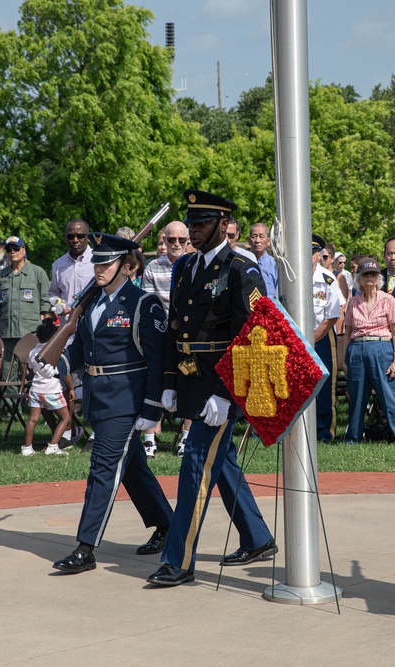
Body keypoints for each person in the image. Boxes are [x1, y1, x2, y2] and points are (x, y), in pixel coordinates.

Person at [146, 190, 276, 587]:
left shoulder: (241, 269)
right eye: (191, 222)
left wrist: (227, 392)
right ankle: (257, 537)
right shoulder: (185, 267)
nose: (193, 230)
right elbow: (173, 328)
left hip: (221, 386)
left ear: (223, 225)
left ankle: (179, 560)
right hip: (190, 379)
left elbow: (254, 336)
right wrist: (168, 382)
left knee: (195, 464)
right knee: (222, 464)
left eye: (201, 224)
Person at [35, 234, 173, 574]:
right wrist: (55, 364)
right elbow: (82, 349)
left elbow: (157, 360)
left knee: (103, 469)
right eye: (96, 262)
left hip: (127, 399)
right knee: (133, 469)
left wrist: (152, 409)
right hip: (99, 397)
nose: (98, 268)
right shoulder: (93, 304)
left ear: (126, 267)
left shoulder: (144, 304)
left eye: (106, 263)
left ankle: (85, 547)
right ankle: (168, 525)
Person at [141, 220, 194, 456]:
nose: (176, 244)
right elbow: (148, 305)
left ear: (187, 241)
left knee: (190, 383)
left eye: (181, 240)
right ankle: (149, 439)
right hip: (160, 335)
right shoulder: (152, 267)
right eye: (170, 239)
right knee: (153, 385)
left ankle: (186, 438)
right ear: (163, 240)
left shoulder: (194, 265)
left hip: (188, 337)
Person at [342, 257, 395, 443]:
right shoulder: (353, 302)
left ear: (379, 278)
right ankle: (352, 439)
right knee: (357, 397)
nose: (370, 277)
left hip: (381, 347)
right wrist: (345, 359)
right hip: (357, 348)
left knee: (390, 396)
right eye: (365, 274)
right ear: (359, 279)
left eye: (374, 274)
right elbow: (347, 332)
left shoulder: (389, 300)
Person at [0, 235, 51, 376]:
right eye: (9, 249)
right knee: (7, 374)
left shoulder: (37, 272)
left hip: (31, 332)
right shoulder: (2, 275)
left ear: (23, 250)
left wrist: (47, 330)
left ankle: (32, 398)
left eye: (16, 248)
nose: (12, 251)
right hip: (8, 333)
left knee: (34, 372)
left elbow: (45, 304)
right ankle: (10, 399)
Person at [22, 320, 73, 457]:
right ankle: (53, 445)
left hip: (36, 390)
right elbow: (64, 372)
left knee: (32, 419)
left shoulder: (33, 352)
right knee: (65, 418)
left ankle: (26, 448)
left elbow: (31, 372)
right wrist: (71, 388)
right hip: (52, 390)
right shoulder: (56, 351)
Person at [312, 234, 343, 441]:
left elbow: (332, 316)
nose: (309, 256)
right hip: (295, 339)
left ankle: (324, 432)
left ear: (319, 255)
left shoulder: (327, 279)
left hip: (321, 337)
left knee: (324, 386)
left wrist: (312, 339)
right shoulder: (290, 276)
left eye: (313, 252)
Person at [49, 220, 94, 312]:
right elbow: (53, 294)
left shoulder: (98, 261)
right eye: (70, 236)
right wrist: (60, 306)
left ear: (88, 237)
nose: (75, 240)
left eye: (80, 236)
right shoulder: (58, 265)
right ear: (65, 237)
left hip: (92, 322)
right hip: (66, 322)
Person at [248, 223, 278, 299]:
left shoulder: (275, 265)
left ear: (268, 241)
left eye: (261, 237)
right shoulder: (243, 263)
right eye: (254, 236)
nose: (257, 240)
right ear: (249, 240)